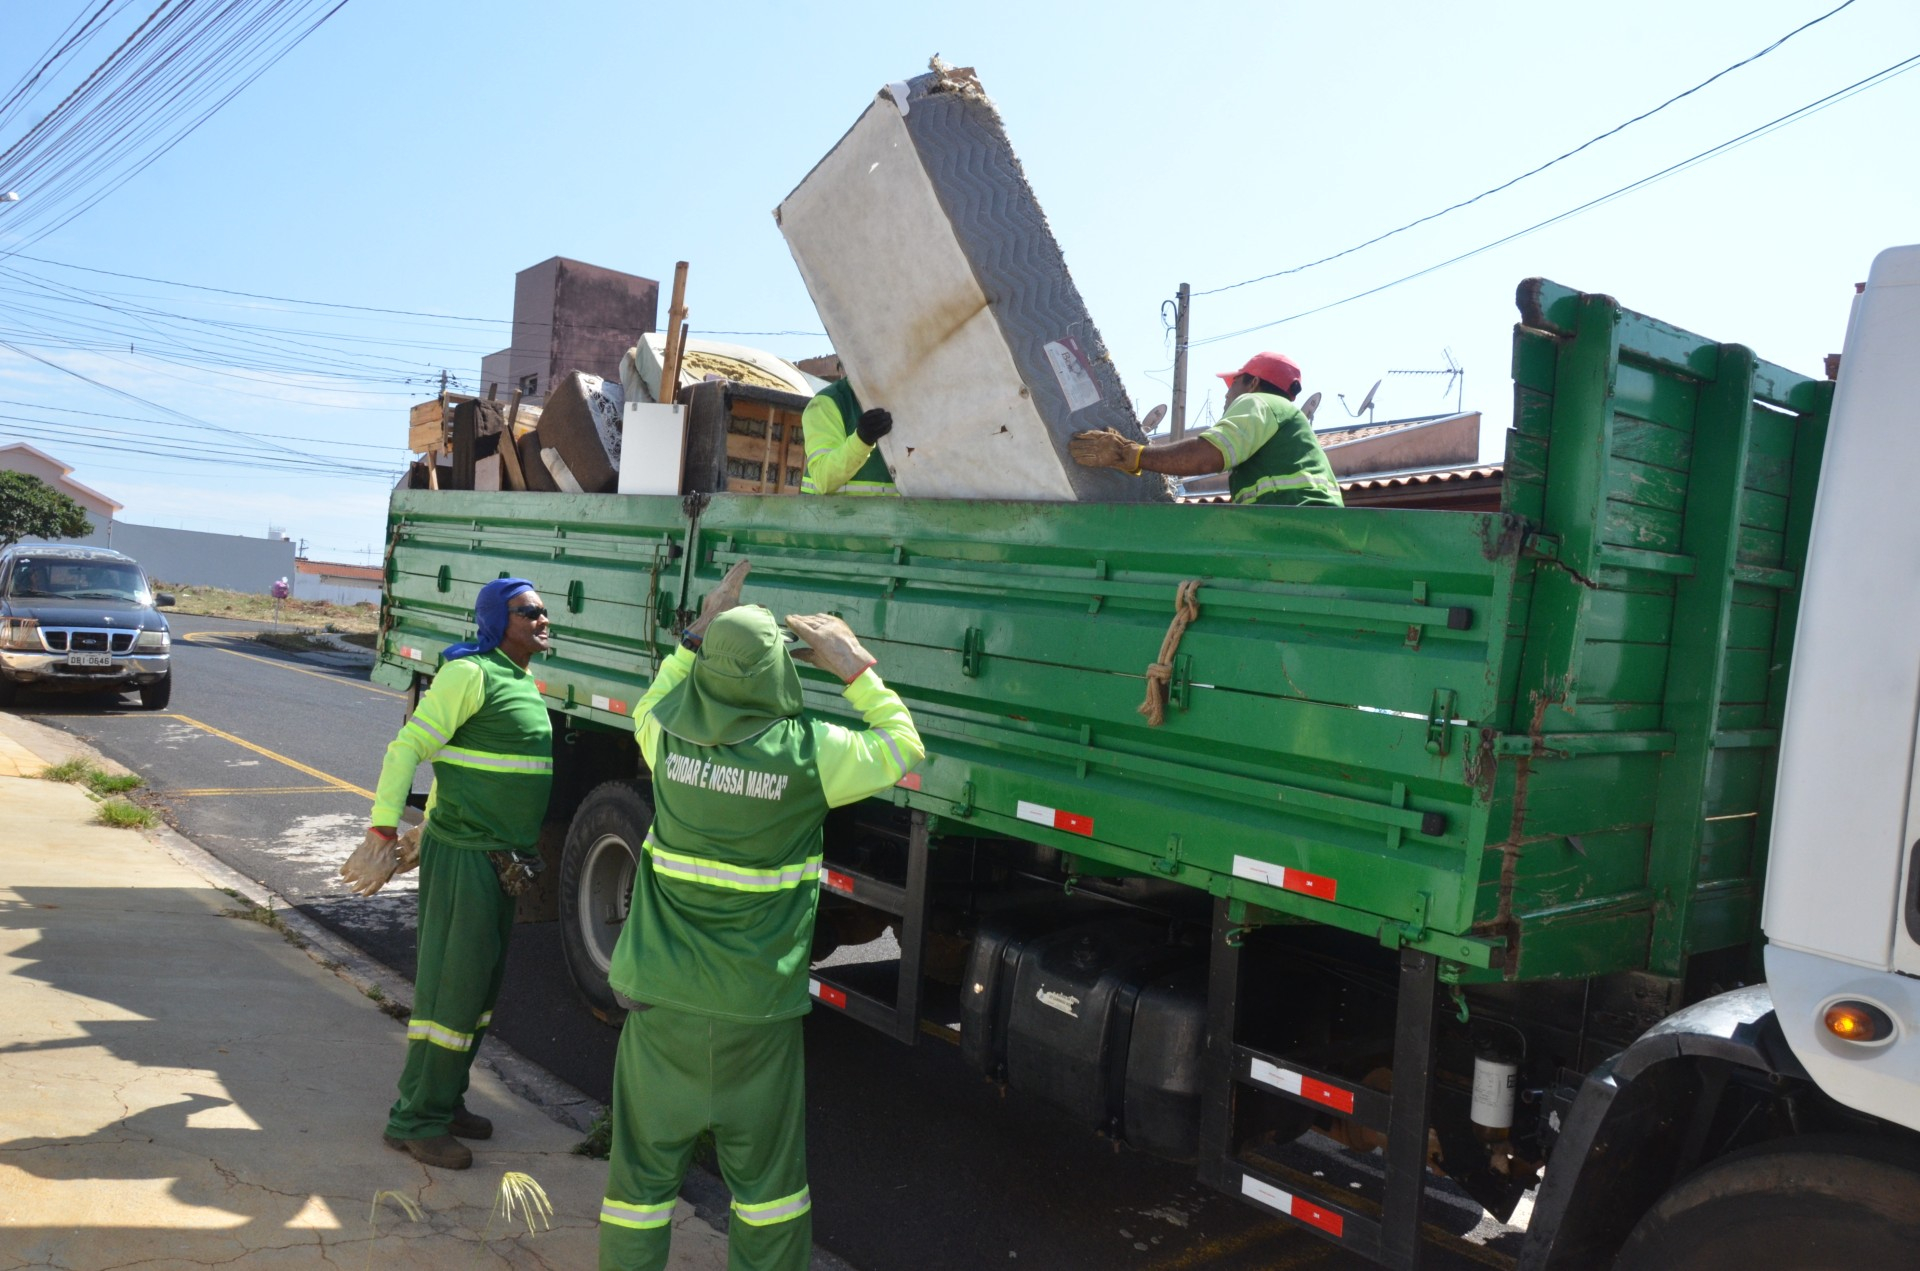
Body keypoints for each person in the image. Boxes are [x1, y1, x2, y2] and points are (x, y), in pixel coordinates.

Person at [598, 561, 923, 1271]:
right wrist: (854, 667)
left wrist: (697, 633)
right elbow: (904, 746)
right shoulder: (812, 753)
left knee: (638, 1190)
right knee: (770, 1197)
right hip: (757, 1014)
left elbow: (656, 697)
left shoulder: (665, 739)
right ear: (779, 673)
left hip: (661, 1006)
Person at [340, 577, 554, 1171]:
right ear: (498, 621)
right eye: (529, 612)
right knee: (450, 993)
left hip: (498, 862)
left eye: (543, 610)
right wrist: (383, 833)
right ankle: (414, 1121)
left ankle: (445, 1099)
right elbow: (406, 750)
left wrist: (426, 823)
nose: (542, 619)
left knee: (478, 993)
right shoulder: (470, 674)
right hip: (466, 860)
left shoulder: (517, 678)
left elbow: (461, 768)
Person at [1068, 351, 1343, 507]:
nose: (1226, 395)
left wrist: (1130, 455)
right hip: (1308, 527)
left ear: (1253, 384)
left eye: (1232, 384)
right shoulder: (1286, 420)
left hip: (1298, 525)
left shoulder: (1258, 402)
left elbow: (1207, 456)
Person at [799, 377, 897, 495]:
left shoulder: (903, 397)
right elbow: (823, 479)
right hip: (830, 507)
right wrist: (862, 440)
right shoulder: (826, 402)